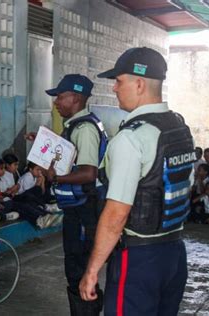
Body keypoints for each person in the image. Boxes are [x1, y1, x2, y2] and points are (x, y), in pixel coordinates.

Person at [79, 47, 195, 315]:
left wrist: (92, 270)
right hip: (174, 253)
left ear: (139, 83)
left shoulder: (131, 138)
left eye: (118, 82)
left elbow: (117, 214)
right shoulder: (179, 128)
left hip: (139, 259)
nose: (114, 89)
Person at [27, 73, 107, 315]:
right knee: (76, 267)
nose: (56, 102)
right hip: (76, 208)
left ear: (76, 98)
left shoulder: (84, 129)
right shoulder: (74, 126)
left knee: (79, 269)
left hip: (85, 210)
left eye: (60, 97)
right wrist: (43, 141)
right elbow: (67, 156)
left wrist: (56, 178)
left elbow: (88, 173)